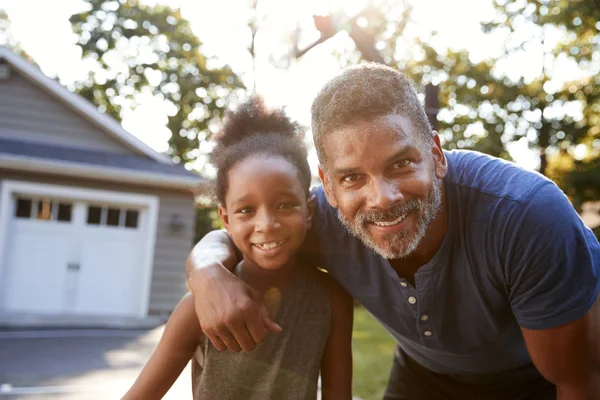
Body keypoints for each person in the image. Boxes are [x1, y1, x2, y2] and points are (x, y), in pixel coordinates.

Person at [185, 63, 600, 399]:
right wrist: (205, 271)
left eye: (401, 164)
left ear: (436, 155)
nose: (381, 198)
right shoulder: (318, 220)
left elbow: (577, 382)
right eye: (351, 178)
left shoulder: (526, 217)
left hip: (534, 381)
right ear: (327, 186)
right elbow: (250, 232)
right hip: (424, 376)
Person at [123, 96, 353, 400]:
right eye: (246, 210)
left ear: (309, 210)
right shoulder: (196, 308)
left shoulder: (332, 300)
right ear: (225, 219)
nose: (267, 224)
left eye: (285, 205)